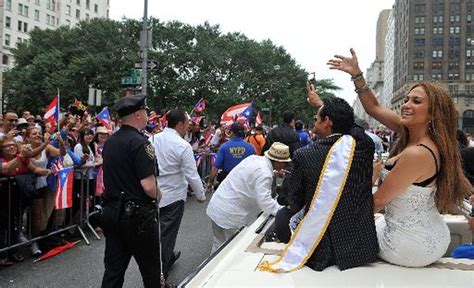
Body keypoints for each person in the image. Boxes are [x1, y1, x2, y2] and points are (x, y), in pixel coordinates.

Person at [328, 48, 472, 267]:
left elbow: (377, 202)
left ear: (433, 114)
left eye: (416, 101)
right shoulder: (412, 133)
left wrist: (332, 224)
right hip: (427, 233)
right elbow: (374, 108)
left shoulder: (418, 153)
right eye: (406, 100)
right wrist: (357, 75)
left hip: (409, 245)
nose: (406, 105)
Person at [270, 93, 378, 272]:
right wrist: (326, 108)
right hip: (359, 248)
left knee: (282, 216)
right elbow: (355, 128)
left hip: (320, 250)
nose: (314, 121)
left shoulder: (304, 155)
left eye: (317, 118)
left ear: (327, 121)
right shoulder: (363, 146)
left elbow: (295, 201)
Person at [101, 94, 163, 288]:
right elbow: (149, 186)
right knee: (151, 271)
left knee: (113, 270)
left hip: (112, 212)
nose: (147, 115)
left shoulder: (111, 141)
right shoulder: (141, 143)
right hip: (137, 217)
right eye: (145, 111)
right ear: (138, 114)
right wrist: (159, 195)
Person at [149, 109, 206, 278]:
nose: (189, 126)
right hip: (173, 197)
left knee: (156, 233)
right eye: (187, 123)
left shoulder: (152, 139)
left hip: (154, 193)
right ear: (180, 124)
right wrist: (201, 195)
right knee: (167, 236)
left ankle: (164, 261)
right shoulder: (182, 145)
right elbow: (191, 173)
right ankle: (160, 275)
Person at [206, 142, 289, 253]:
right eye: (285, 163)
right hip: (232, 216)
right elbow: (265, 203)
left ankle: (211, 270)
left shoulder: (253, 159)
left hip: (218, 206)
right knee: (231, 252)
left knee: (218, 246)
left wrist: (275, 173)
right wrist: (283, 211)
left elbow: (254, 175)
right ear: (279, 162)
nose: (285, 166)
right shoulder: (265, 173)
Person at [207, 122, 256, 191]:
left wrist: (210, 182)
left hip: (228, 181)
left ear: (232, 132)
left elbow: (215, 167)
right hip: (245, 182)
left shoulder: (224, 147)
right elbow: (255, 167)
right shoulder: (251, 147)